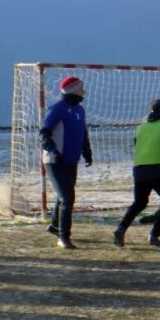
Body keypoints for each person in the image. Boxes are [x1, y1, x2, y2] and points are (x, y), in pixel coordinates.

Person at [113, 99, 160, 247]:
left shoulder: (140, 127)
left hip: (140, 170)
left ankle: (121, 228)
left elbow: (137, 146)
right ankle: (154, 235)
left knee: (139, 202)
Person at [39, 76, 93, 249]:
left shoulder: (80, 110)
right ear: (71, 89)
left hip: (71, 160)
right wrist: (53, 151)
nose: (83, 91)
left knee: (64, 195)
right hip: (55, 161)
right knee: (67, 198)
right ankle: (63, 237)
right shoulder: (57, 108)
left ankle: (55, 226)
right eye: (80, 88)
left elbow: (82, 133)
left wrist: (87, 151)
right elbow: (44, 133)